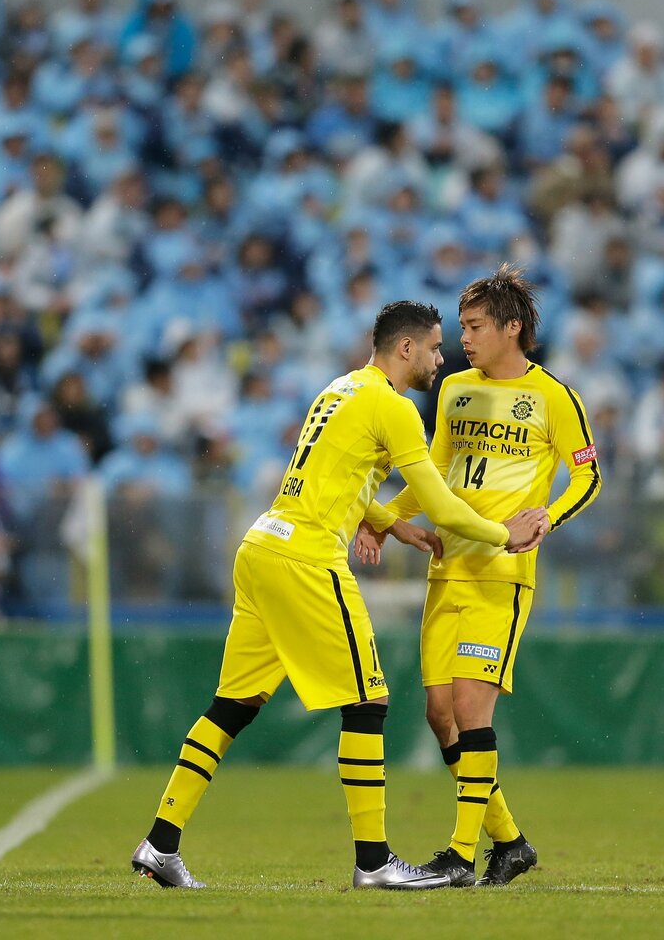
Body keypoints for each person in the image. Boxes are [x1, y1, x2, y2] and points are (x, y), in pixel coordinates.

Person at [130, 300, 547, 892]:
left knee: (231, 706)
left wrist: (391, 522)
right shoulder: (395, 407)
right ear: (406, 349)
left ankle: (161, 842)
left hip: (261, 546)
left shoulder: (339, 390)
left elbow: (331, 474)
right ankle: (374, 861)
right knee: (369, 701)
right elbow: (443, 501)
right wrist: (506, 534)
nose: (440, 356)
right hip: (307, 558)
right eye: (433, 347)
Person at [359, 267, 601, 887]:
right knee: (441, 714)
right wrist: (387, 521)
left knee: (470, 706)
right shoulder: (454, 391)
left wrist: (548, 515)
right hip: (448, 569)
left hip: (503, 573)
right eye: (461, 327)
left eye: (473, 327)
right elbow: (432, 475)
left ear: (511, 328)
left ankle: (460, 857)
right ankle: (511, 842)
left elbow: (588, 476)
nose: (463, 339)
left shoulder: (553, 397)